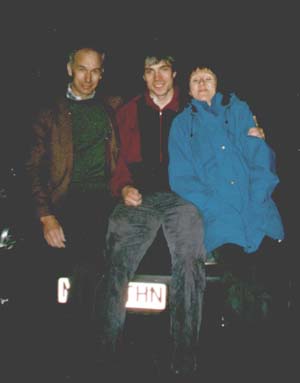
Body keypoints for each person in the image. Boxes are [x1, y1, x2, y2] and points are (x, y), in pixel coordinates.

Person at [93, 50, 265, 378]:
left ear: (174, 75)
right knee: (116, 262)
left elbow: (226, 136)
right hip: (139, 198)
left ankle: (184, 360)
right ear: (142, 76)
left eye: (165, 70)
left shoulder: (192, 111)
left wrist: (255, 137)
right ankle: (105, 354)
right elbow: (115, 162)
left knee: (190, 264)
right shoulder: (127, 112)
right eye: (150, 71)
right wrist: (123, 188)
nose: (158, 77)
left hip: (182, 198)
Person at [168, 65, 285, 320]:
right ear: (187, 88)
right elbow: (181, 178)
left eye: (207, 78)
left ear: (217, 82)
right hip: (219, 220)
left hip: (259, 211)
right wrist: (214, 206)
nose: (201, 84)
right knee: (237, 296)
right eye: (195, 80)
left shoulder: (239, 111)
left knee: (272, 293)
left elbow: (262, 159)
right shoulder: (181, 125)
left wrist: (259, 196)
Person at [25, 44, 119, 320]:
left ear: (102, 74)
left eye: (95, 71)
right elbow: (31, 169)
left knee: (104, 267)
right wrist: (46, 217)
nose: (88, 79)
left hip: (106, 198)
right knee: (76, 269)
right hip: (67, 199)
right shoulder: (49, 113)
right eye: (81, 70)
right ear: (69, 69)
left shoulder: (111, 107)